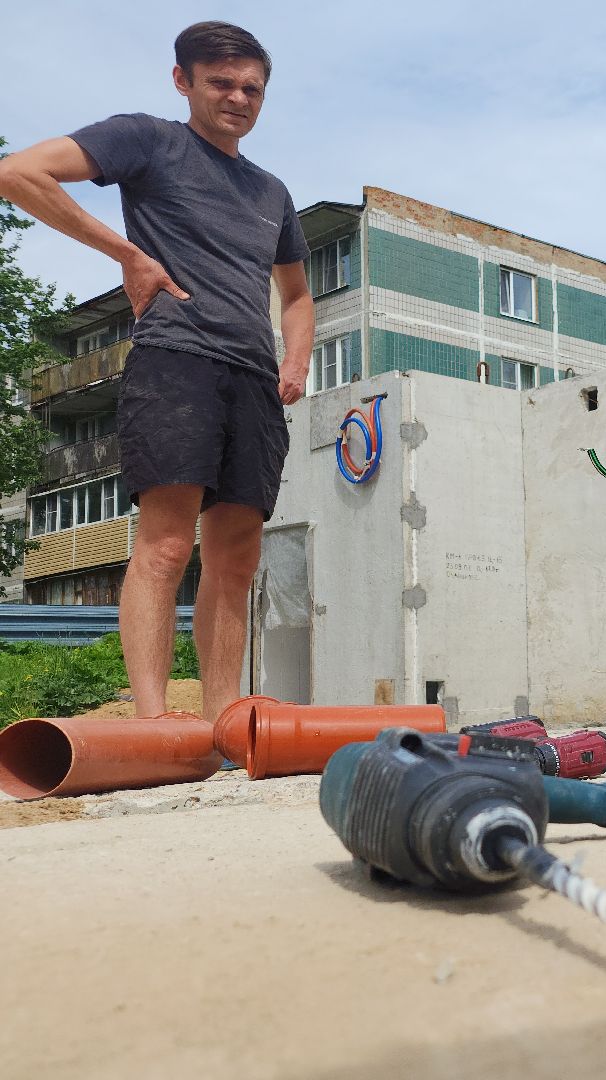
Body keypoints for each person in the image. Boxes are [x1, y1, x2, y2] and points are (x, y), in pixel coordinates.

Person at [0, 21, 311, 724]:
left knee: (236, 558)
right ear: (183, 81)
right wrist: (128, 254)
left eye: (252, 89)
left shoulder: (272, 192)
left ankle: (222, 717)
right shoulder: (148, 139)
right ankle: (151, 719)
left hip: (252, 381)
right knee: (167, 545)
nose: (238, 98)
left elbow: (296, 295)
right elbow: (18, 172)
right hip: (176, 361)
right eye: (221, 83)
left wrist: (294, 358)